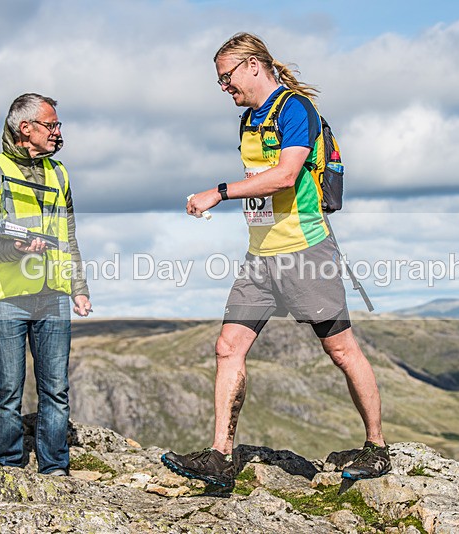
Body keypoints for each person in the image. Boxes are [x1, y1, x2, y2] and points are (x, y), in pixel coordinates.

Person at [161, 33, 390, 487]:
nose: (224, 87)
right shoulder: (248, 119)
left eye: (227, 77)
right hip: (260, 256)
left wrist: (218, 192)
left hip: (305, 250)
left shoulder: (294, 110)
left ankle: (377, 447)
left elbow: (285, 177)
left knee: (341, 349)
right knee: (228, 347)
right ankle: (220, 458)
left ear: (252, 65)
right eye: (219, 81)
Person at [0, 93, 92, 476]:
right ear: (26, 129)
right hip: (5, 298)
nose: (58, 132)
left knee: (55, 389)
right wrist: (19, 250)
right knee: (7, 392)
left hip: (52, 295)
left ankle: (55, 467)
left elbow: (68, 235)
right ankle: (7, 468)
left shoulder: (61, 173)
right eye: (52, 125)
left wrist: (79, 287)